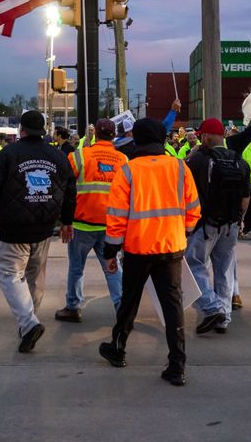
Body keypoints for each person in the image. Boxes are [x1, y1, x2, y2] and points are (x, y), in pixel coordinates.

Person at [98, 118, 201, 386]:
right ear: (162, 139)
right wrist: (184, 231)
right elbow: (193, 209)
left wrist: (111, 250)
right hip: (171, 247)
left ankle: (118, 349)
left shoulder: (129, 170)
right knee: (172, 304)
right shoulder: (180, 167)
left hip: (138, 248)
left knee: (129, 301)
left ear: (138, 141)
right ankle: (177, 364)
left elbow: (117, 215)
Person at [0, 111, 75, 353]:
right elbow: (71, 190)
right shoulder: (58, 156)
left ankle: (29, 323)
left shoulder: (8, 154)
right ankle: (28, 322)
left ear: (22, 130)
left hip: (14, 227)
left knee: (7, 270)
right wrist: (68, 221)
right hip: (44, 225)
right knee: (36, 275)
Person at [54, 118, 128, 324]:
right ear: (113, 135)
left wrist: (64, 220)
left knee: (76, 268)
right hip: (110, 225)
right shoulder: (123, 159)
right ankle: (122, 308)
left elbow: (64, 188)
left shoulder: (78, 156)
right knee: (112, 267)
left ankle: (73, 306)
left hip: (81, 224)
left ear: (95, 133)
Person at [184, 118, 250, 335]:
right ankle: (224, 317)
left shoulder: (198, 160)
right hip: (231, 223)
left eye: (203, 134)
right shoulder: (240, 161)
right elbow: (245, 198)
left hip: (206, 224)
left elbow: (186, 192)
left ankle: (212, 307)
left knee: (194, 266)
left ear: (207, 136)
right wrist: (239, 219)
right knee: (224, 270)